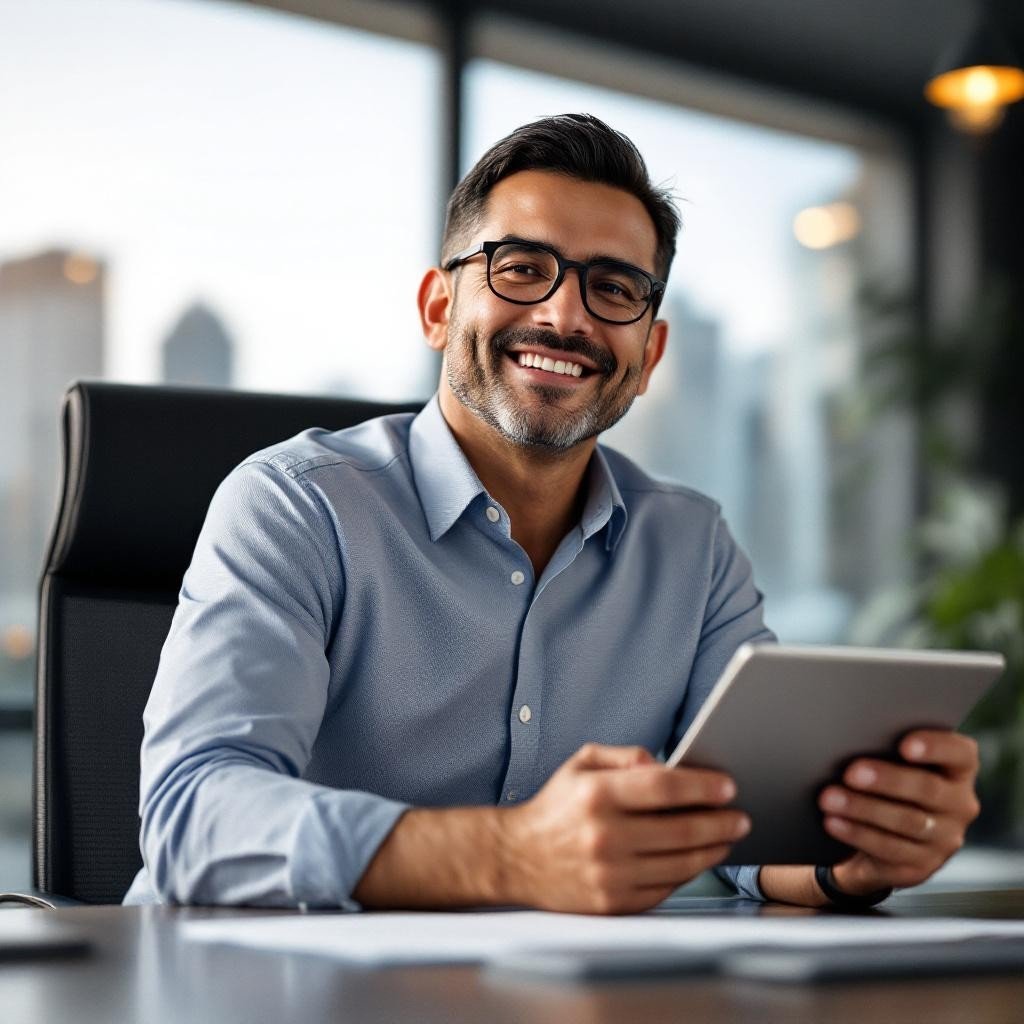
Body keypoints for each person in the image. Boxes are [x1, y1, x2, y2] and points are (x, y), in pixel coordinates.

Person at [124, 114, 980, 913]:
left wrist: (844, 855)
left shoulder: (694, 548)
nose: (565, 315)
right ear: (437, 307)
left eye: (614, 288)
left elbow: (738, 827)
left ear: (649, 355)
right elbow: (192, 819)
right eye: (521, 268)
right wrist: (509, 855)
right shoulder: (295, 505)